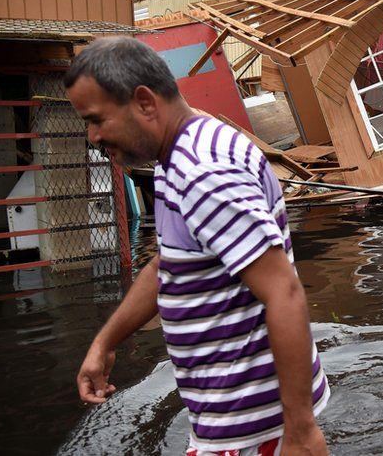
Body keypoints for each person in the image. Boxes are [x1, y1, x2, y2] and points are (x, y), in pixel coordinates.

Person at [68, 37, 329, 456]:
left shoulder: (204, 174)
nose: (92, 136)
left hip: (254, 425)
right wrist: (105, 342)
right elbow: (167, 267)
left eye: (97, 119)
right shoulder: (177, 156)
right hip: (232, 415)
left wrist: (300, 432)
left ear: (145, 102)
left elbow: (285, 293)